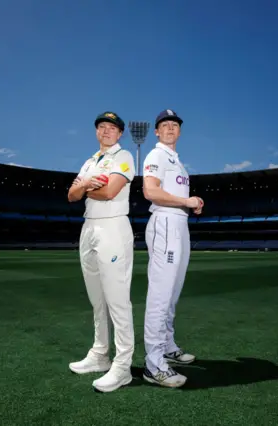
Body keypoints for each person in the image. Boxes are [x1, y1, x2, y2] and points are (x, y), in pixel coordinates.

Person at [67, 111, 136, 393]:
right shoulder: (90, 161)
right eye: (102, 127)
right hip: (89, 227)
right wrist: (86, 185)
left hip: (113, 228)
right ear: (97, 132)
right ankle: (100, 354)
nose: (106, 131)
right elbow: (71, 196)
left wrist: (84, 187)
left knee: (118, 302)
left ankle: (123, 366)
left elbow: (110, 192)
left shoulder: (124, 157)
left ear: (119, 134)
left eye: (112, 128)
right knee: (98, 300)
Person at [141, 109, 204, 388]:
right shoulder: (155, 155)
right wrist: (186, 202)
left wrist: (191, 204)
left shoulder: (177, 162)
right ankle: (154, 365)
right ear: (156, 131)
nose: (169, 128)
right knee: (160, 294)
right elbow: (150, 192)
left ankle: (167, 345)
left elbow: (178, 197)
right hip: (165, 223)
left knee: (173, 293)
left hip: (179, 224)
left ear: (179, 131)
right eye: (164, 125)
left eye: (174, 125)